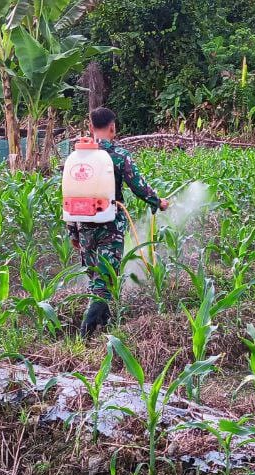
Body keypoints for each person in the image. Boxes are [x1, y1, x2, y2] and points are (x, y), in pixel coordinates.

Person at [68, 107, 170, 337]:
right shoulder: (119, 155)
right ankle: (82, 335)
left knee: (97, 277)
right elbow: (138, 186)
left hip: (84, 227)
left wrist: (73, 233)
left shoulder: (76, 159)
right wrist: (158, 202)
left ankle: (105, 324)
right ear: (113, 127)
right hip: (110, 228)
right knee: (103, 282)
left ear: (91, 127)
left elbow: (70, 195)